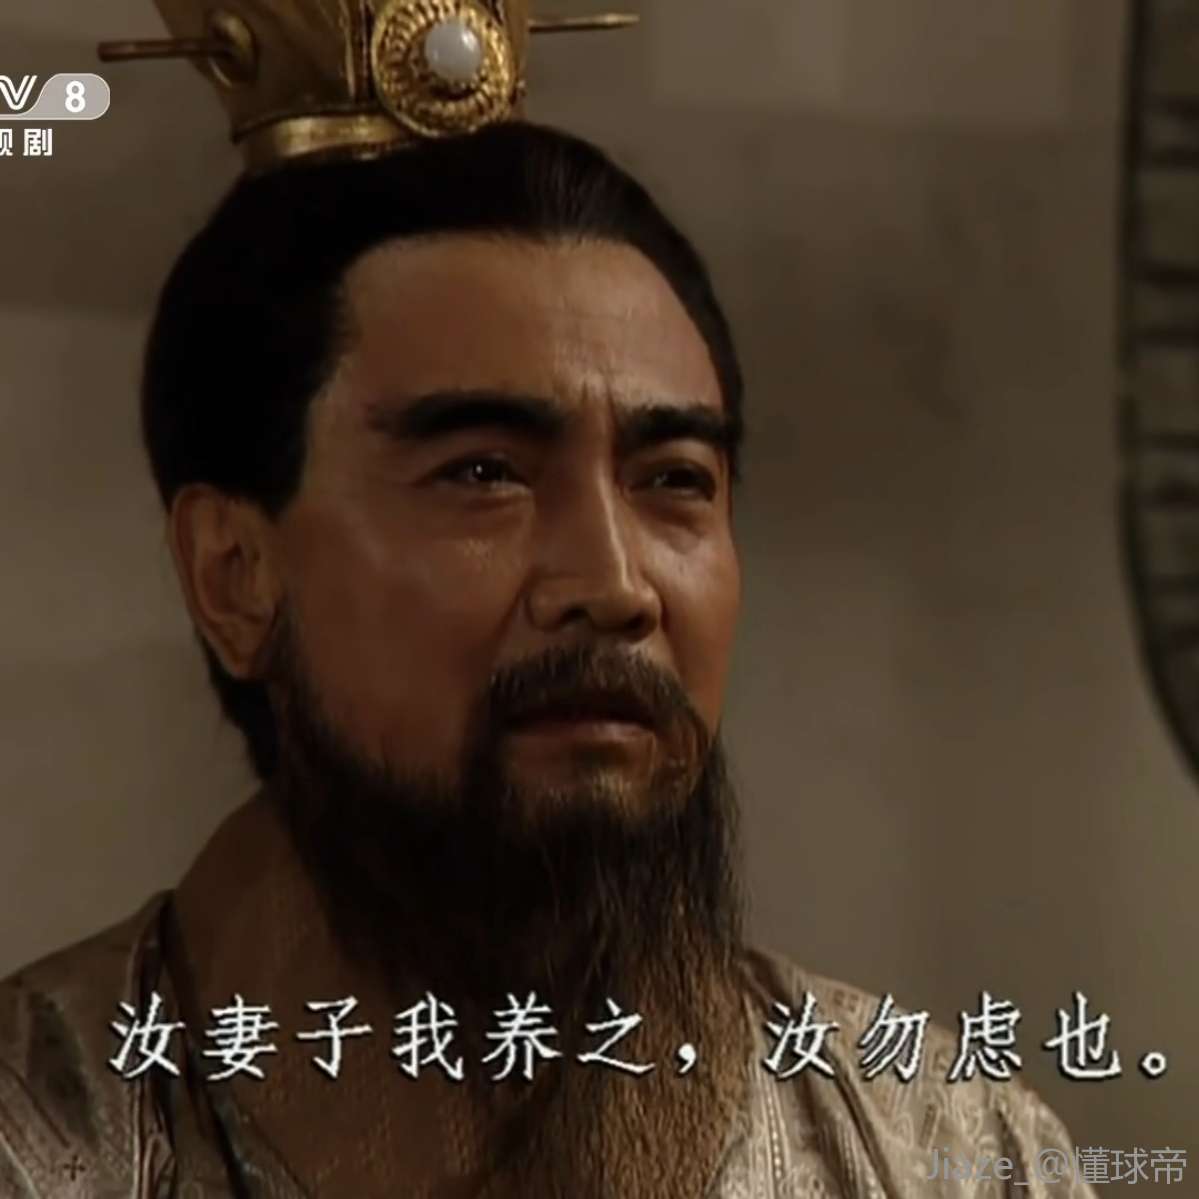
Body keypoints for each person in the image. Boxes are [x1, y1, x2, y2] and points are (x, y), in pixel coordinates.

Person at [0, 4, 1098, 1198]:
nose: (613, 587)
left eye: (673, 480)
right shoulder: (40, 1137)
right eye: (481, 472)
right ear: (233, 572)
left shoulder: (954, 1150)